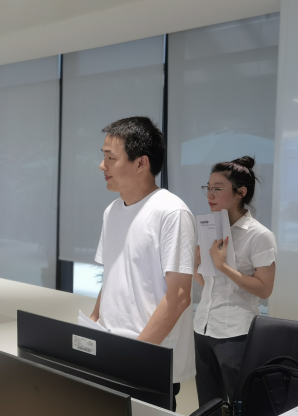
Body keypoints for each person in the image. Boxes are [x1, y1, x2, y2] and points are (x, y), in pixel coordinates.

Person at [89, 117, 196, 409]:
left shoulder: (171, 212)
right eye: (103, 157)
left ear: (141, 163)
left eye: (111, 158)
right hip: (111, 352)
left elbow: (179, 297)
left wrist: (134, 355)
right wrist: (92, 326)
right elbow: (111, 277)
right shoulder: (112, 211)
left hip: (148, 360)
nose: (102, 166)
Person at [193, 157, 277, 404]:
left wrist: (223, 266)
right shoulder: (210, 229)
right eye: (208, 188)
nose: (210, 195)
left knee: (242, 404)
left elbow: (264, 289)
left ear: (241, 192)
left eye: (218, 189)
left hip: (236, 333)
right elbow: (212, 285)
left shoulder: (259, 235)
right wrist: (196, 265)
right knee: (208, 405)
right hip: (203, 327)